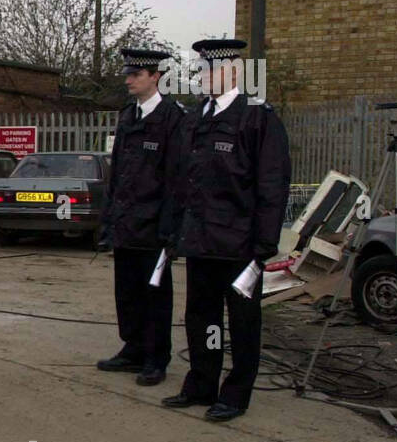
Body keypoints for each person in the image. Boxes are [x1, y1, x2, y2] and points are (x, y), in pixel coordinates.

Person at [162, 39, 291, 421]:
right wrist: (175, 231)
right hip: (202, 240)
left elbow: (272, 183)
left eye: (211, 69)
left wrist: (264, 244)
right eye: (201, 69)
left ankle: (235, 393)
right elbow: (183, 181)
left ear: (235, 71)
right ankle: (202, 381)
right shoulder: (195, 118)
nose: (204, 76)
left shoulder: (257, 117)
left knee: (243, 321)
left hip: (240, 243)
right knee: (203, 317)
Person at [97, 48, 187, 386]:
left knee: (156, 295)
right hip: (126, 224)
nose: (128, 80)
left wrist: (169, 229)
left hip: (154, 228)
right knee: (128, 292)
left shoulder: (173, 118)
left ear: (155, 77)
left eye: (136, 74)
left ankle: (155, 357)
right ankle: (133, 348)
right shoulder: (128, 117)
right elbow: (117, 174)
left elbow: (176, 180)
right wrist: (108, 221)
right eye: (127, 74)